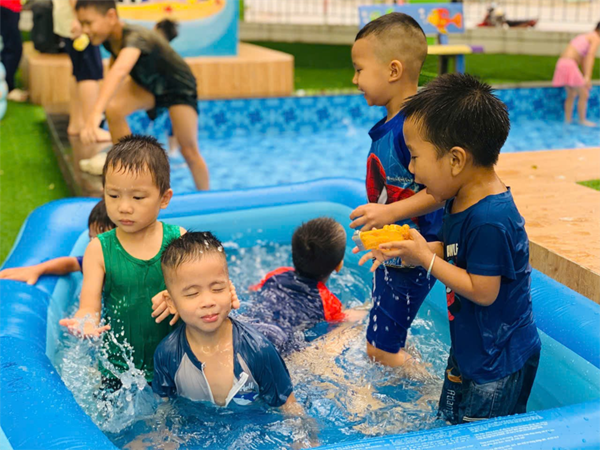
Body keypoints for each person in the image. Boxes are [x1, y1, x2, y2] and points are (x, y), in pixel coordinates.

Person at [361, 73, 541, 424]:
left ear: (456, 160)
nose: (411, 170)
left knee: (480, 440)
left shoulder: (490, 219)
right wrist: (410, 250)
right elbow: (456, 250)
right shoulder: (459, 198)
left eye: (416, 157)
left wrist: (424, 259)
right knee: (449, 424)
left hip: (496, 364)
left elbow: (484, 291)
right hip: (473, 349)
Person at [349, 12, 444, 368]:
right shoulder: (394, 125)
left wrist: (387, 212)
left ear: (392, 70)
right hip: (397, 250)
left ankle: (427, 387)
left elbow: (439, 191)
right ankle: (408, 360)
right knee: (384, 336)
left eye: (359, 69)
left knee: (379, 349)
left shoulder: (412, 129)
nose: (355, 79)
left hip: (415, 252)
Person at [59, 135, 185, 390]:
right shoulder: (99, 249)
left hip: (174, 363)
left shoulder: (178, 240)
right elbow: (89, 306)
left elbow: (196, 292)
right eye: (114, 195)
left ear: (164, 198)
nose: (124, 207)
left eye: (137, 197)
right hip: (117, 367)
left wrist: (182, 298)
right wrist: (85, 322)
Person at [153, 231, 298, 410]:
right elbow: (164, 409)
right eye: (192, 293)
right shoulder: (167, 354)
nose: (208, 302)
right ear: (172, 303)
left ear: (230, 290)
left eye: (217, 289)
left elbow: (289, 409)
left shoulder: (258, 350)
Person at [75, 0, 209, 190]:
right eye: (82, 23)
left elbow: (121, 70)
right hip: (149, 85)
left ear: (111, 16)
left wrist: (95, 114)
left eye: (88, 23)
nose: (85, 30)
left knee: (188, 150)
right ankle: (131, 173)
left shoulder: (135, 36)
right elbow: (114, 67)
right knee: (114, 109)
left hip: (178, 87)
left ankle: (205, 196)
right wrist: (104, 106)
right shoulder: (109, 39)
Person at [243, 217, 353, 354]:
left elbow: (253, 289)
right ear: (339, 266)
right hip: (282, 346)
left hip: (249, 329)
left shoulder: (277, 273)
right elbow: (342, 321)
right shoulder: (329, 302)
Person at [0, 200, 114, 284]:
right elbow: (70, 264)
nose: (95, 246)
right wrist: (37, 270)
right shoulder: (94, 262)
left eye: (104, 242)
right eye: (91, 239)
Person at [53, 0, 111, 140]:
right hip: (79, 21)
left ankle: (77, 123)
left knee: (79, 71)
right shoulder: (84, 22)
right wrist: (79, 20)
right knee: (89, 73)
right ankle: (92, 129)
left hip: (70, 20)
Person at [552, 22, 600, 127]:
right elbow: (590, 56)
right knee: (584, 94)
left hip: (562, 63)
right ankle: (582, 120)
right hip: (570, 64)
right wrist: (587, 77)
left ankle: (567, 120)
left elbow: (582, 59)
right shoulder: (596, 38)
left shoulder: (585, 36)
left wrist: (584, 75)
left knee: (571, 94)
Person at [0, 0, 27, 101]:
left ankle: (7, 85)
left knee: (10, 47)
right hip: (6, 5)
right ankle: (8, 87)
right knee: (13, 48)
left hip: (10, 6)